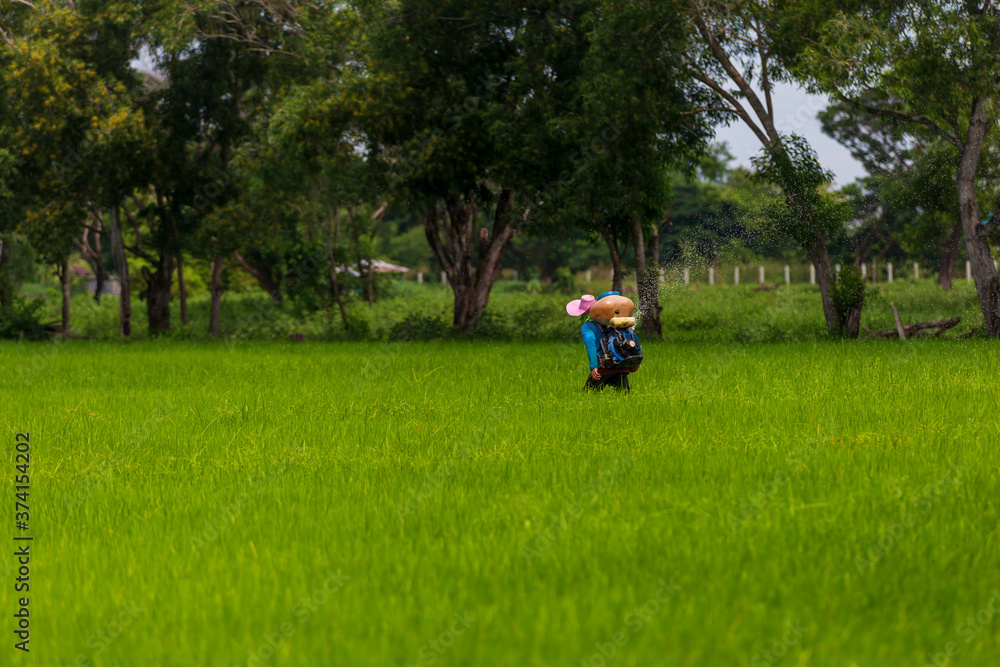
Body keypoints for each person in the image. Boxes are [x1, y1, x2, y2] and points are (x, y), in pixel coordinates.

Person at [566, 291, 639, 392]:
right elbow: (632, 339)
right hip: (622, 365)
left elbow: (590, 344)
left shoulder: (587, 327)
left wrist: (594, 367)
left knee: (587, 395)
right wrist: (635, 361)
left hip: (603, 368)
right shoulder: (620, 323)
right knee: (624, 398)